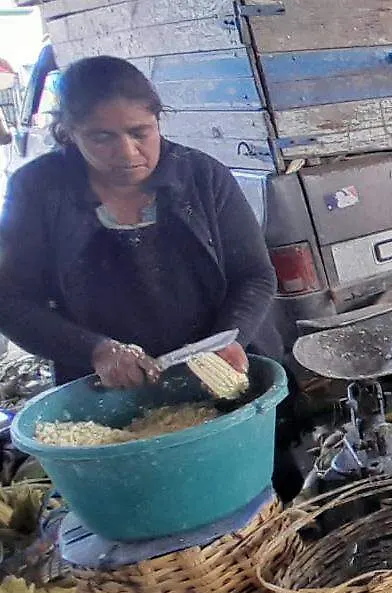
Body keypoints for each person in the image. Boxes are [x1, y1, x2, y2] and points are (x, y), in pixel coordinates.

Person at [0, 56, 302, 497]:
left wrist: (226, 339)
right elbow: (11, 302)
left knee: (260, 491)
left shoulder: (202, 177)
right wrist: (95, 350)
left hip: (223, 371)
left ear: (157, 121)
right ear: (69, 132)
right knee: (157, 499)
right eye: (101, 138)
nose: (127, 153)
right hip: (114, 397)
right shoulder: (38, 190)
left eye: (139, 133)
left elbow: (254, 275)